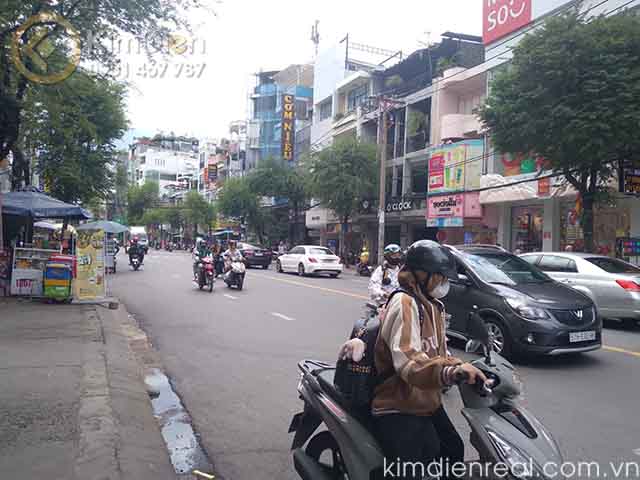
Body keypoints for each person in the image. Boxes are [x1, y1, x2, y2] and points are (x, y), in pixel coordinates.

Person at [372, 240, 486, 480]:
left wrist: (465, 367)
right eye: (440, 277)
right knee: (411, 471)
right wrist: (450, 372)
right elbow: (409, 362)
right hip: (398, 402)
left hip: (426, 399)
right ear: (419, 275)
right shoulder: (404, 303)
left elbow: (438, 354)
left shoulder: (434, 305)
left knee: (452, 450)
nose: (444, 283)